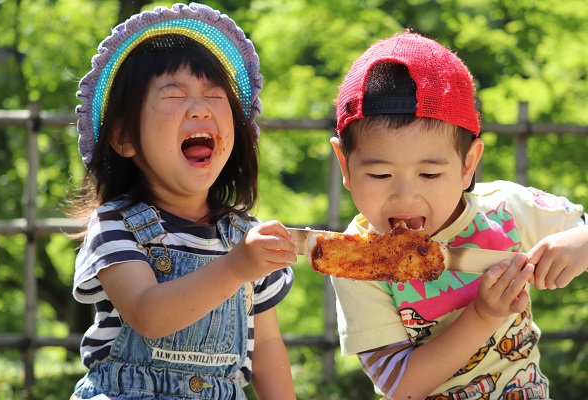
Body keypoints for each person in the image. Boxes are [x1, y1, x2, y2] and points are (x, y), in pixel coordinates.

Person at [329, 31, 588, 399]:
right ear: (345, 165)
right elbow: (399, 386)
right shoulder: (355, 262)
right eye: (380, 175)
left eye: (430, 174)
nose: (405, 196)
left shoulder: (506, 212)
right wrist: (483, 316)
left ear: (468, 165)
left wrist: (581, 242)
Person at [68, 3, 297, 399]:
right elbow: (147, 314)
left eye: (214, 95)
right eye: (174, 94)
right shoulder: (115, 225)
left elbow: (267, 351)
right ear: (124, 138)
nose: (200, 108)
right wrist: (236, 267)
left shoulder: (247, 237)